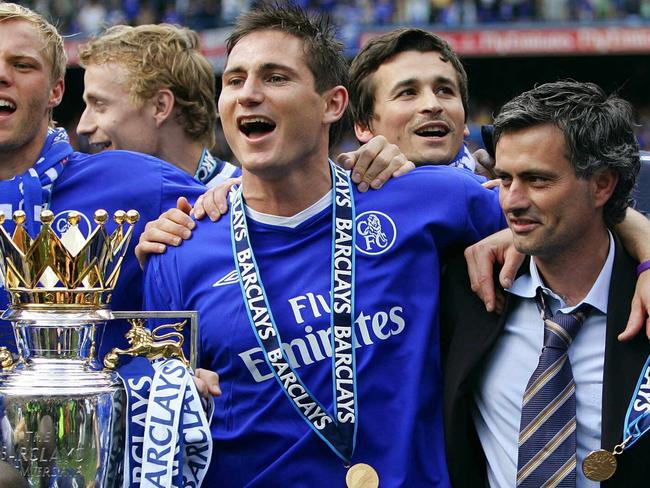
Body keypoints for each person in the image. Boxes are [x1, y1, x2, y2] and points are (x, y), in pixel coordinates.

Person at [142, 4, 506, 486]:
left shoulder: (431, 198)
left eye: (275, 78)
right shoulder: (177, 249)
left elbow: (571, 222)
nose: (249, 95)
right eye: (233, 81)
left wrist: (643, 251)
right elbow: (159, 400)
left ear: (333, 104)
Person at [0, 3, 218, 397]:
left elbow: (272, 217)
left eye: (22, 65)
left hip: (97, 450)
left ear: (56, 90)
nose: (1, 75)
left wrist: (362, 170)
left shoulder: (137, 183)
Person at [441, 81, 650, 487]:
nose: (512, 202)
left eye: (537, 180)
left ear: (602, 185)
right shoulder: (468, 290)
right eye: (505, 179)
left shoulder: (641, 299)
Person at [76, 23, 241, 188]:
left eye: (99, 104)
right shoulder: (98, 200)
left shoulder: (247, 202)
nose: (82, 127)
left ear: (160, 106)